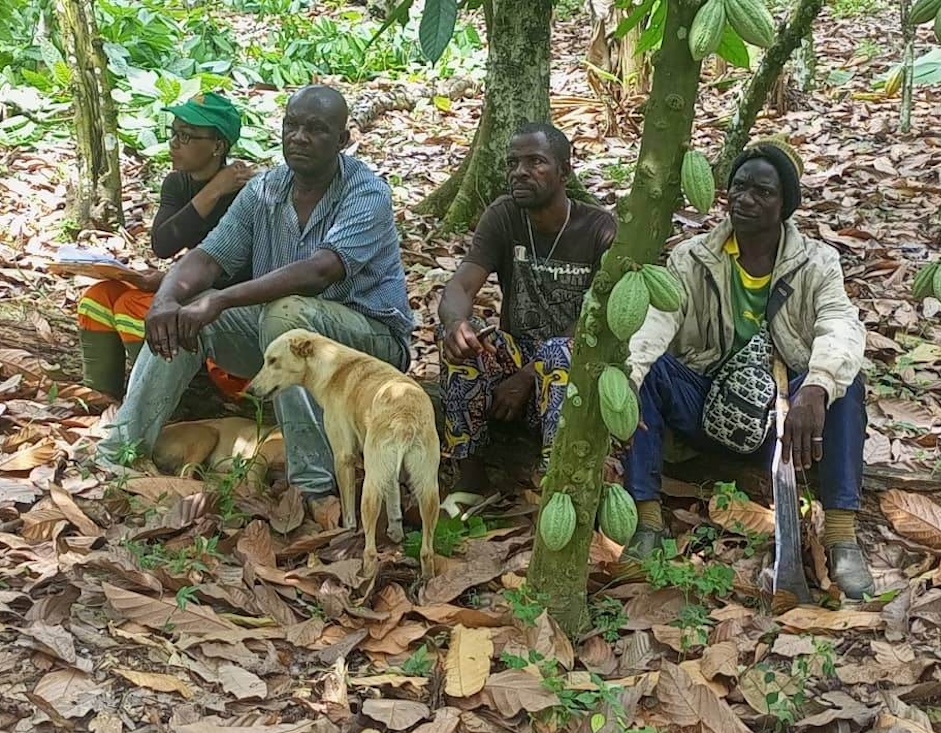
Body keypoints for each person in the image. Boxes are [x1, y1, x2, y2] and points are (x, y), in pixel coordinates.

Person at [96, 85, 414, 503]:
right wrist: (166, 301)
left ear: (342, 140)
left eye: (315, 129)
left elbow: (321, 270)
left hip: (369, 342)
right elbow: (208, 258)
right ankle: (117, 454)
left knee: (284, 316)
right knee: (185, 312)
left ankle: (314, 485)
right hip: (278, 329)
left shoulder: (365, 192)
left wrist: (221, 299)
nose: (299, 137)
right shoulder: (264, 189)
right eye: (292, 126)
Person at [623, 137, 874, 600]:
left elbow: (840, 325)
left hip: (784, 420)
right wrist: (628, 384)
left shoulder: (816, 262)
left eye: (762, 192)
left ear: (785, 205)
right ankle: (648, 521)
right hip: (707, 399)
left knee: (846, 383)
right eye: (738, 188)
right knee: (647, 371)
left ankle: (842, 537)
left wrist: (815, 386)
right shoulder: (693, 258)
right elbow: (656, 325)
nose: (745, 200)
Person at [438, 123, 616, 508]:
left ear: (564, 172)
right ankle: (469, 478)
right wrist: (455, 324)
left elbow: (595, 319)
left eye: (535, 162)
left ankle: (558, 489)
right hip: (517, 354)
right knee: (462, 347)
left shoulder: (599, 229)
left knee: (559, 353)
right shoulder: (503, 216)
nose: (520, 171)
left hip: (575, 366)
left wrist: (527, 376)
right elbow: (461, 286)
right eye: (512, 163)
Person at [77, 92, 255, 401]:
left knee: (135, 308)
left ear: (218, 146)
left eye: (186, 136)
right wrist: (212, 190)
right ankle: (101, 398)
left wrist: (171, 283)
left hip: (225, 300)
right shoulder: (178, 183)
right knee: (99, 297)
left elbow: (239, 271)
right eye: (173, 132)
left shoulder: (248, 195)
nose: (174, 142)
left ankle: (167, 402)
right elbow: (163, 243)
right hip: (187, 286)